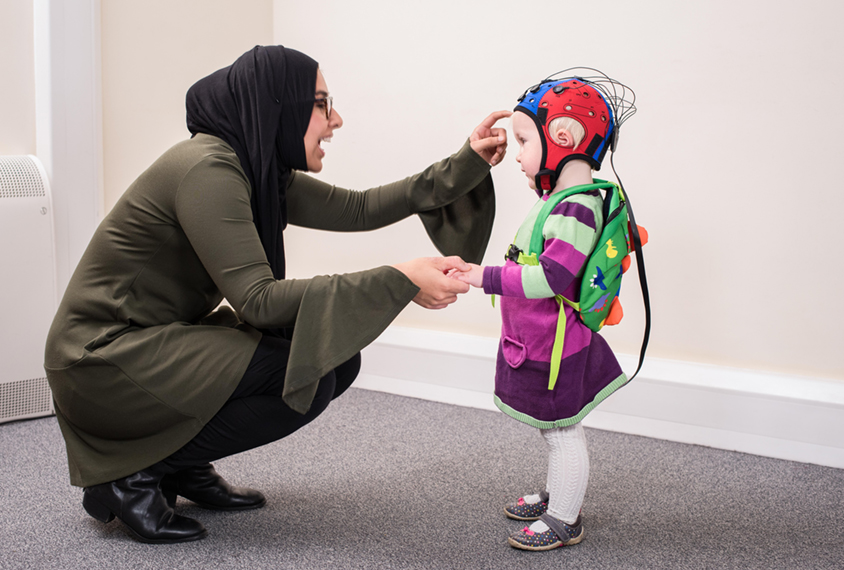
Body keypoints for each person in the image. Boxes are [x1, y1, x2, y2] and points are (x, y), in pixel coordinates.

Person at [44, 45, 511, 544]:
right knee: (305, 373)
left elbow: (359, 210)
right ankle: (134, 473)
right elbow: (258, 301)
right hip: (102, 361)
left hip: (156, 343)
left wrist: (466, 163)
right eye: (321, 104)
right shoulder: (209, 169)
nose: (336, 120)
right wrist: (401, 278)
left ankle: (183, 467)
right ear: (279, 104)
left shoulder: (256, 168)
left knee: (331, 359)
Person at [451, 70, 636, 551]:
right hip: (540, 338)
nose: (516, 153)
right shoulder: (562, 200)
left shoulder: (576, 209)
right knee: (552, 423)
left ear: (563, 138)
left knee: (562, 429)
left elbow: (550, 278)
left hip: (558, 342)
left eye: (522, 140)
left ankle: (564, 519)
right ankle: (560, 495)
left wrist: (481, 275)